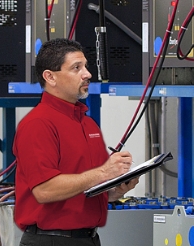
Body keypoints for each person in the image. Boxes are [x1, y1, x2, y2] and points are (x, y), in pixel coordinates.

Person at [13, 38, 139, 246]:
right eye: (76, 68)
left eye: (86, 66)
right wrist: (104, 172)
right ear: (50, 77)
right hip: (50, 241)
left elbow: (87, 187)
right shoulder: (38, 124)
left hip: (88, 238)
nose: (87, 74)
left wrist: (115, 190)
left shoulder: (87, 125)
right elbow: (44, 190)